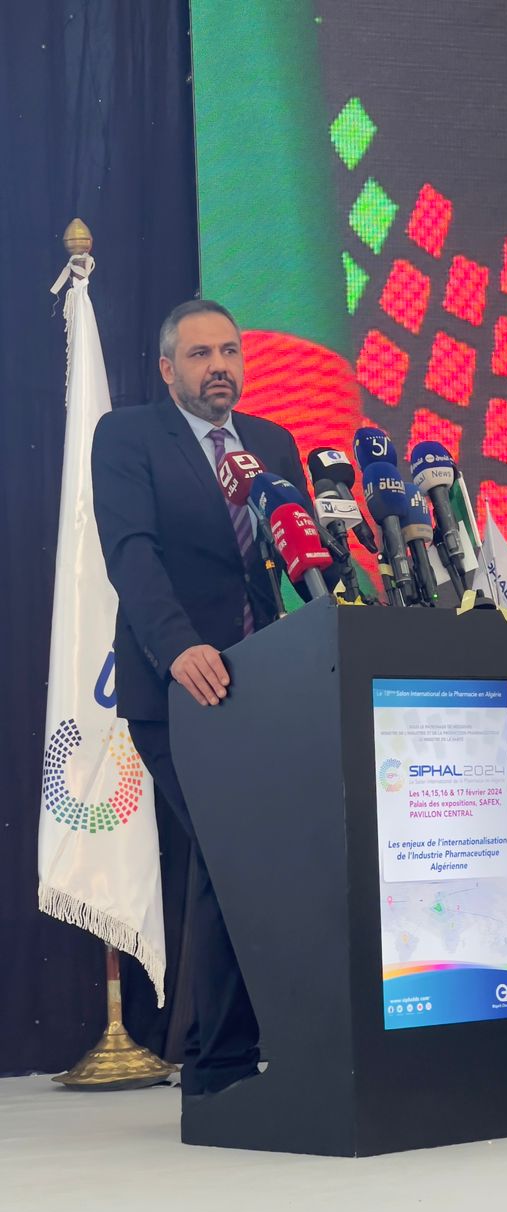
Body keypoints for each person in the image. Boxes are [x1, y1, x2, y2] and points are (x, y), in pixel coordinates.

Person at [91, 298, 314, 1095]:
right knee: (232, 850)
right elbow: (132, 554)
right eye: (199, 354)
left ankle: (231, 1054)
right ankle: (219, 1066)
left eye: (229, 351)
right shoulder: (127, 437)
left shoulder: (272, 444)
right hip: (181, 688)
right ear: (167, 369)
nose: (219, 366)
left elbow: (299, 559)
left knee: (245, 860)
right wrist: (179, 645)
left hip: (272, 687)